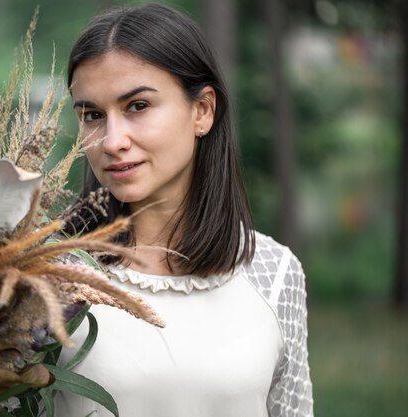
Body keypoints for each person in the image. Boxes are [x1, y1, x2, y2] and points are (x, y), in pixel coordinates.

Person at [55, 3, 313, 417]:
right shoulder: (46, 269)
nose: (111, 140)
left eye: (137, 106)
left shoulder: (273, 273)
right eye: (92, 115)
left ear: (203, 110)